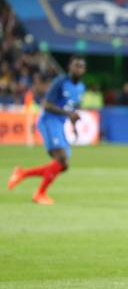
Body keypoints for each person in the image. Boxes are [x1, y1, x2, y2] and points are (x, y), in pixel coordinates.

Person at [7, 55, 86, 205]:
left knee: (63, 165)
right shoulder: (60, 82)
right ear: (70, 67)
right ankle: (39, 194)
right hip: (48, 121)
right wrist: (68, 114)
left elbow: (72, 110)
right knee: (61, 159)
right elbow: (47, 105)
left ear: (84, 69)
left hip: (60, 124)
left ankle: (22, 173)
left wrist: (74, 127)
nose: (78, 69)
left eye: (81, 66)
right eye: (76, 65)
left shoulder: (81, 88)